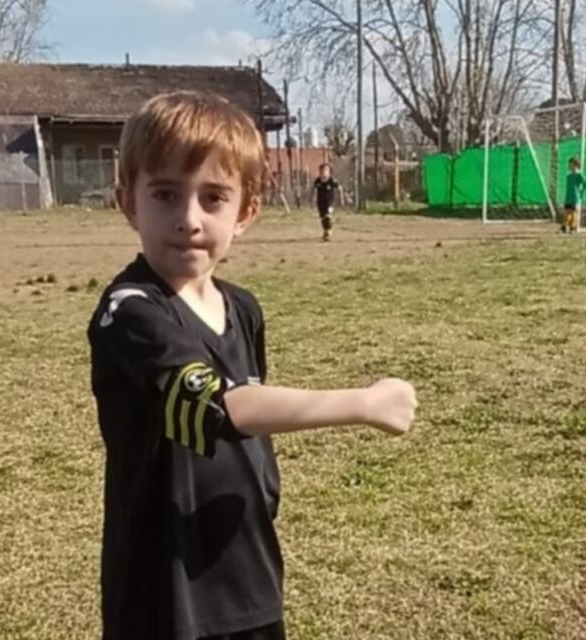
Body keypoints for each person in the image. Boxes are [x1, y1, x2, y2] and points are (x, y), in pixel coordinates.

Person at [87, 91, 418, 640]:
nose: (188, 220)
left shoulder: (242, 308)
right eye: (165, 195)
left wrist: (265, 492)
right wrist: (362, 403)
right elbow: (225, 406)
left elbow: (252, 430)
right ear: (129, 203)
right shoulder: (131, 311)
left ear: (245, 212)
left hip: (246, 565)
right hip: (165, 589)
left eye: (213, 198)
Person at [312, 163, 344, 241]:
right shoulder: (317, 181)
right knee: (323, 218)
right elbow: (314, 190)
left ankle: (328, 231)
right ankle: (326, 231)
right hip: (320, 202)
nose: (323, 172)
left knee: (328, 216)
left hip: (330, 202)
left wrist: (342, 198)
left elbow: (339, 188)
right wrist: (312, 199)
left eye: (325, 170)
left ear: (329, 172)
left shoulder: (331, 180)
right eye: (321, 171)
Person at [563, 156, 586, 233]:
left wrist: (581, 192)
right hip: (568, 197)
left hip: (575, 197)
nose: (569, 166)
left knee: (573, 212)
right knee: (567, 212)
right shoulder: (569, 176)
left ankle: (573, 228)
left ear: (575, 165)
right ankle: (566, 226)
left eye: (571, 164)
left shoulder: (579, 175)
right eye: (569, 164)